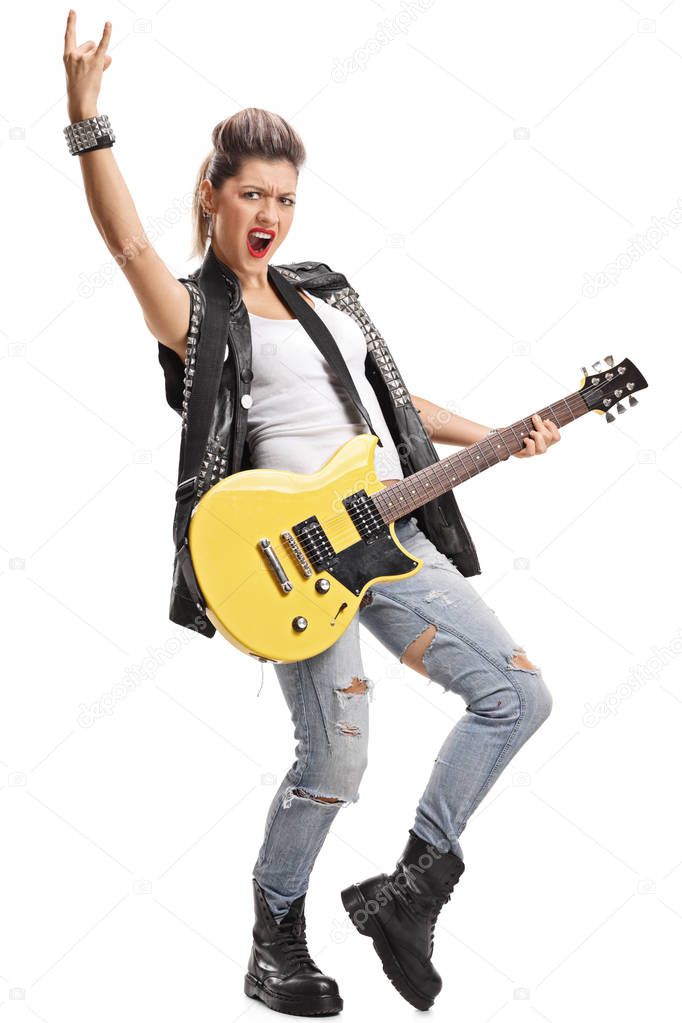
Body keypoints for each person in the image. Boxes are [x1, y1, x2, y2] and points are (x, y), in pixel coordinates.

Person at [63, 11, 560, 1017]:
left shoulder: (328, 293)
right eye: (251, 193)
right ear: (212, 195)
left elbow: (392, 408)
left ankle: (405, 890)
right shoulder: (198, 317)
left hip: (393, 534)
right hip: (292, 563)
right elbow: (124, 245)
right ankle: (274, 939)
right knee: (335, 758)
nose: (270, 213)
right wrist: (86, 119)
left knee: (517, 699)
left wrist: (504, 432)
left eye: (284, 198)